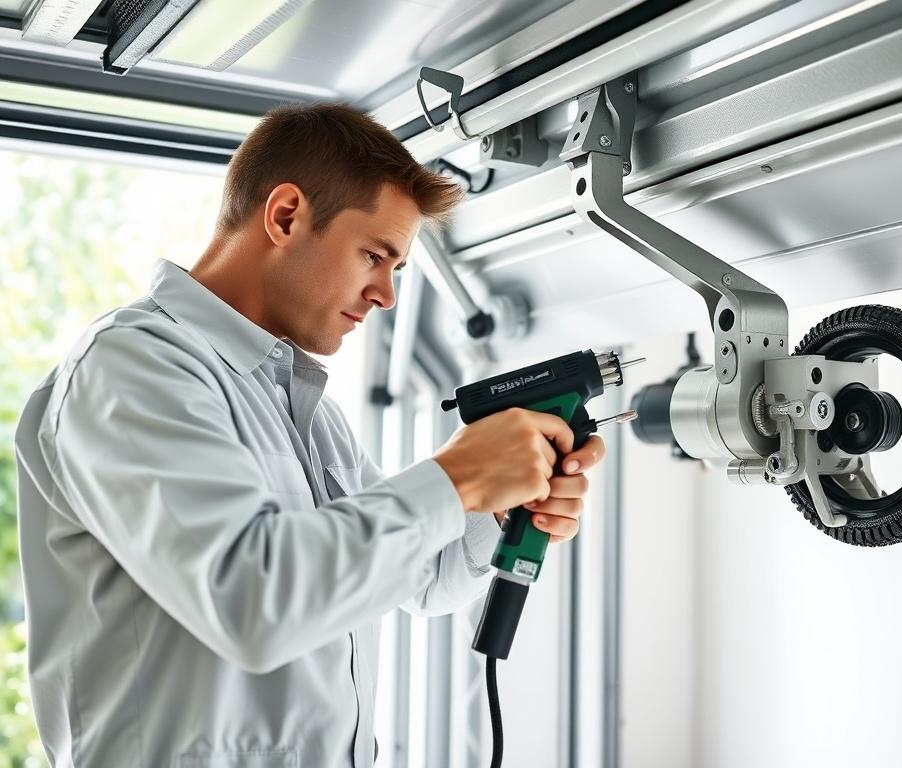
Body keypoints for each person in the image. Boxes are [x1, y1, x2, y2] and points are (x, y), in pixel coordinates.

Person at [14, 103, 605, 767]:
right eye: (375, 256)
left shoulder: (301, 405)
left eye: (397, 270)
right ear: (286, 215)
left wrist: (494, 503)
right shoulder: (132, 370)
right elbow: (254, 599)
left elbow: (423, 579)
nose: (386, 295)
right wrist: (458, 476)